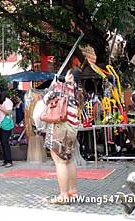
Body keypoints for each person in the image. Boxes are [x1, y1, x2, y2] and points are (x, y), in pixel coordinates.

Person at [44, 69, 79, 204]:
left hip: (60, 127)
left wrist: (55, 83)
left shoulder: (59, 87)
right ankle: (73, 191)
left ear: (70, 76)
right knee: (69, 159)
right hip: (72, 127)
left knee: (60, 162)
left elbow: (46, 98)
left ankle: (63, 195)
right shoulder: (78, 91)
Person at [0, 90, 14, 167]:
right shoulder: (1, 102)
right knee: (2, 143)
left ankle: (9, 161)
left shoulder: (8, 101)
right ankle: (5, 160)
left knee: (5, 142)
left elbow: (9, 112)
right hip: (1, 125)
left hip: (7, 125)